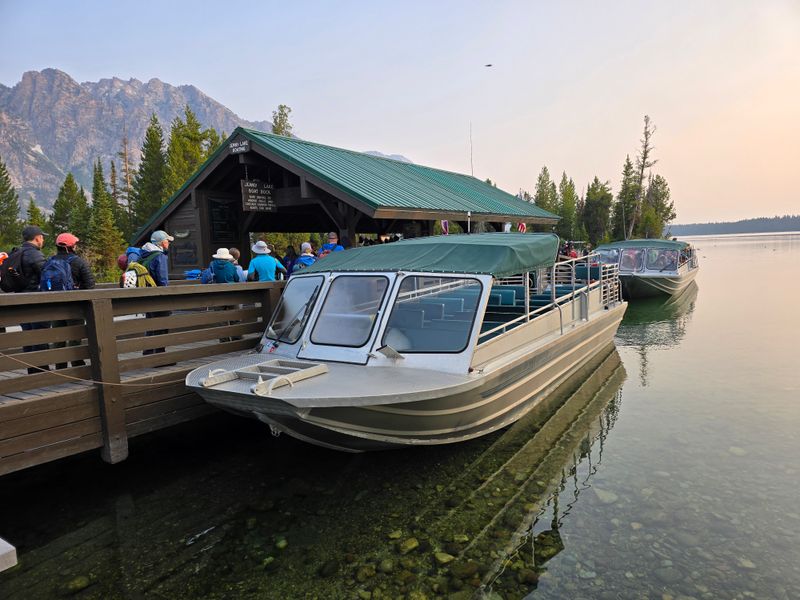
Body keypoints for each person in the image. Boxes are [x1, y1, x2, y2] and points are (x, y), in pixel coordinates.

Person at [46, 233, 95, 369]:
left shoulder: (50, 261)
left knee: (59, 336)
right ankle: (77, 363)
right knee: (75, 334)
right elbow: (90, 284)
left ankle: (60, 365)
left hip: (55, 305)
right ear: (71, 246)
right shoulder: (78, 261)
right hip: (74, 306)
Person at [13, 225, 49, 373]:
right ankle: (41, 373)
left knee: (28, 337)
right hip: (36, 303)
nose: (43, 239)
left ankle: (32, 372)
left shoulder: (16, 253)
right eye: (42, 236)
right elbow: (47, 276)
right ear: (37, 238)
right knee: (40, 336)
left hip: (21, 301)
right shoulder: (35, 255)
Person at [140, 230, 173, 356]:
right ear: (161, 243)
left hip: (146, 295)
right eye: (167, 240)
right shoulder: (159, 256)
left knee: (150, 323)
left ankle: (148, 352)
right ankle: (159, 356)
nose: (168, 243)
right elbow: (163, 280)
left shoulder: (144, 254)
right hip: (159, 297)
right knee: (162, 324)